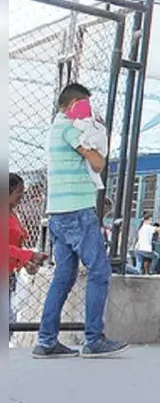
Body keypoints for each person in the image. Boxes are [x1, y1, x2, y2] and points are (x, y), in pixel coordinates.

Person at [36, 83, 127, 358]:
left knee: (63, 276)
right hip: (77, 212)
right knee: (99, 271)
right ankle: (93, 339)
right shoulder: (69, 128)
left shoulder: (55, 129)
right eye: (85, 105)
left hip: (58, 213)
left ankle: (47, 341)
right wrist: (95, 130)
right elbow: (98, 163)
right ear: (74, 104)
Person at [8, 173, 47, 339]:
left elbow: (12, 246)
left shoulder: (12, 215)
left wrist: (25, 262)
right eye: (19, 192)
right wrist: (29, 255)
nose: (22, 197)